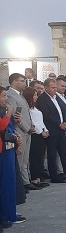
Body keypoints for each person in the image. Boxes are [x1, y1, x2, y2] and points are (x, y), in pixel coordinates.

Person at [37, 78, 66, 183]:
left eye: (55, 87)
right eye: (52, 87)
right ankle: (54, 175)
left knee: (64, 152)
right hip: (52, 129)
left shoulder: (55, 98)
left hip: (61, 129)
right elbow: (46, 115)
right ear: (46, 87)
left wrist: (65, 123)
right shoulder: (43, 99)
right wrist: (59, 123)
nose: (54, 89)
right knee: (52, 154)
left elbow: (60, 112)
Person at [0, 88, 24, 225]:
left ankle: (10, 211)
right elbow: (2, 126)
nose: (6, 99)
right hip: (3, 151)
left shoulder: (4, 110)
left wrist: (16, 137)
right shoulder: (4, 112)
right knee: (5, 183)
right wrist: (9, 113)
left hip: (9, 149)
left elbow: (9, 128)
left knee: (11, 182)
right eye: (3, 96)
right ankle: (6, 214)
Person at [7, 73, 33, 190]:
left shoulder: (20, 95)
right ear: (14, 82)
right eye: (22, 81)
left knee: (25, 159)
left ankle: (25, 181)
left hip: (27, 130)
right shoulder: (11, 95)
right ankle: (20, 183)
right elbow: (15, 115)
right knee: (20, 158)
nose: (24, 83)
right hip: (19, 130)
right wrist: (27, 127)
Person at [23, 87, 49, 188]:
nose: (36, 97)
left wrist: (45, 130)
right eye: (34, 95)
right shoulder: (28, 109)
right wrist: (40, 131)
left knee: (40, 157)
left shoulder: (36, 108)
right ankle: (34, 178)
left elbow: (40, 121)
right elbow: (33, 122)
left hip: (41, 133)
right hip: (35, 135)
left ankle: (38, 178)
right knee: (34, 157)